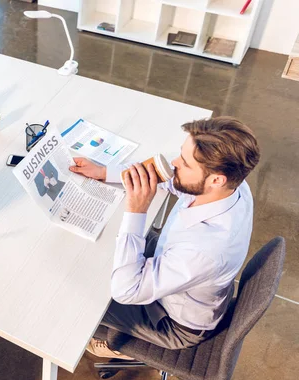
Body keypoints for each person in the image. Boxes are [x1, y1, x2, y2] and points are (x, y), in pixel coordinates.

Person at [69, 117, 260, 357]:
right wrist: (106, 172)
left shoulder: (207, 250)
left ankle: (114, 346)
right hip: (177, 272)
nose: (174, 163)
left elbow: (126, 291)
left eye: (186, 163)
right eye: (182, 154)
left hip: (172, 322)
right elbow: (171, 181)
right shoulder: (232, 184)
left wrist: (137, 211)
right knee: (93, 249)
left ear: (216, 179)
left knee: (72, 292)